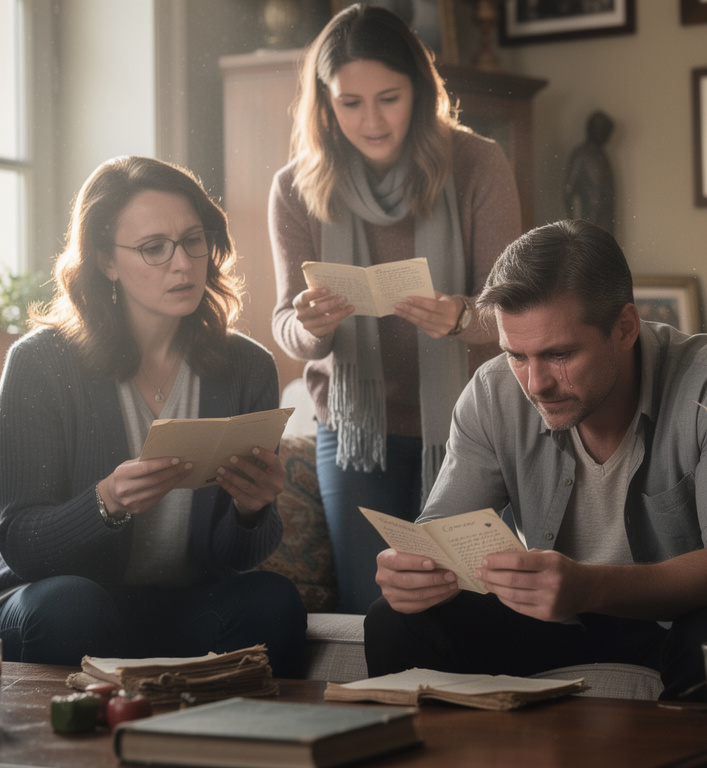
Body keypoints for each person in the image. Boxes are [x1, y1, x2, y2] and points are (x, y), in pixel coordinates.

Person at [364, 219, 707, 701]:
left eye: (559, 354)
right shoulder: (492, 391)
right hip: (560, 619)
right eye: (517, 355)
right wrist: (414, 572)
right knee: (395, 620)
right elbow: (443, 534)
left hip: (680, 618)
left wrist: (590, 586)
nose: (536, 384)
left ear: (625, 327)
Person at [0, 156, 307, 677]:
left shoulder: (248, 367)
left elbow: (235, 559)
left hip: (179, 605)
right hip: (53, 600)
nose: (182, 263)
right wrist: (106, 502)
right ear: (106, 261)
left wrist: (252, 510)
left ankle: (238, 744)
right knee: (73, 607)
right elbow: (21, 542)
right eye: (154, 248)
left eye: (193, 240)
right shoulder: (40, 363)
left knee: (273, 601)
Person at [269, 4, 521, 614]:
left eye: (389, 97)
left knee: (463, 608)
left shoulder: (478, 164)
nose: (372, 120)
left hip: (469, 427)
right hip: (356, 433)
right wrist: (310, 326)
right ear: (324, 103)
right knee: (373, 614)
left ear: (420, 89)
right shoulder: (296, 186)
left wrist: (463, 317)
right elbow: (284, 325)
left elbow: (515, 312)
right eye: (350, 103)